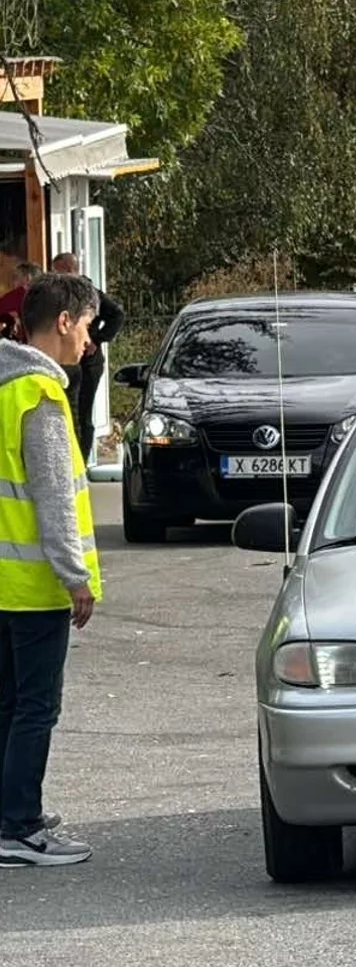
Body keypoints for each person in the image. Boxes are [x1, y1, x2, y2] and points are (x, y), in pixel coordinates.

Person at [0, 273, 102, 867]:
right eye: (86, 325)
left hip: (3, 582)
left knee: (9, 704)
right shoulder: (40, 394)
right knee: (38, 707)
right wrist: (74, 575)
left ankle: (10, 812)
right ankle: (21, 827)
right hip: (35, 583)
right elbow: (53, 495)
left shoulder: (4, 385)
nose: (88, 340)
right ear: (63, 322)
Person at [48, 254, 123, 463]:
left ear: (69, 269)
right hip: (66, 361)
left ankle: (81, 462)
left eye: (58, 271)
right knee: (67, 412)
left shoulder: (90, 293)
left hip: (88, 362)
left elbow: (117, 314)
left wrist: (96, 339)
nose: (55, 276)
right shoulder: (60, 295)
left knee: (83, 412)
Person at [0, 261, 39, 341]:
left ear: (28, 278)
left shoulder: (19, 294)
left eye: (15, 278)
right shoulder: (45, 295)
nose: (12, 283)